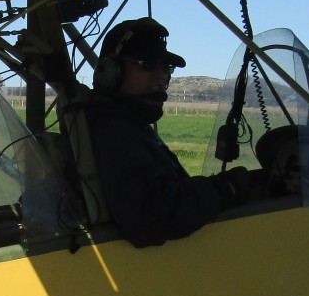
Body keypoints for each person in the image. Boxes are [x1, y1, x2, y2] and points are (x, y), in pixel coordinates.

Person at [84, 18, 248, 247]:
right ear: (110, 71)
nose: (161, 76)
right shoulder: (113, 132)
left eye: (165, 67)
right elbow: (149, 216)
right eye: (146, 63)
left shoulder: (127, 124)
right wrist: (225, 189)